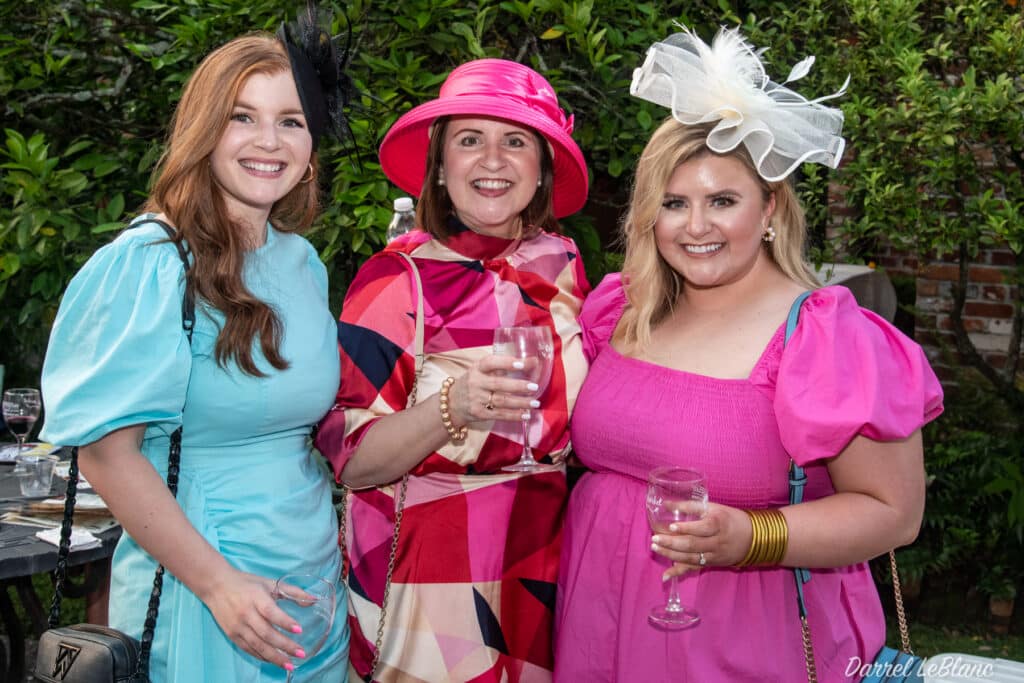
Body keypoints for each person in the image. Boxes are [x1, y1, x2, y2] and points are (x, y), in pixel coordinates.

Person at [554, 26, 944, 682]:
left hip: (745, 639)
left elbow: (894, 513)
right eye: (674, 203)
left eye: (722, 201)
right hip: (598, 621)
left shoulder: (824, 337)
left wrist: (751, 537)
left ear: (769, 209)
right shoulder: (623, 308)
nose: (695, 226)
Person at [39, 9, 355, 681]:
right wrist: (218, 584)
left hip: (312, 590)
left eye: (291, 120)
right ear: (204, 130)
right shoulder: (152, 263)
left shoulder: (303, 263)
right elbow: (107, 455)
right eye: (243, 117)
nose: (268, 141)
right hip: (206, 592)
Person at [314, 58, 590, 681]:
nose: (493, 160)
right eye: (470, 140)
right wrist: (452, 408)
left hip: (546, 562)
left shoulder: (561, 263)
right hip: (434, 579)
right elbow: (354, 461)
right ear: (440, 166)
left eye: (515, 141)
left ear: (542, 167)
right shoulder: (395, 280)